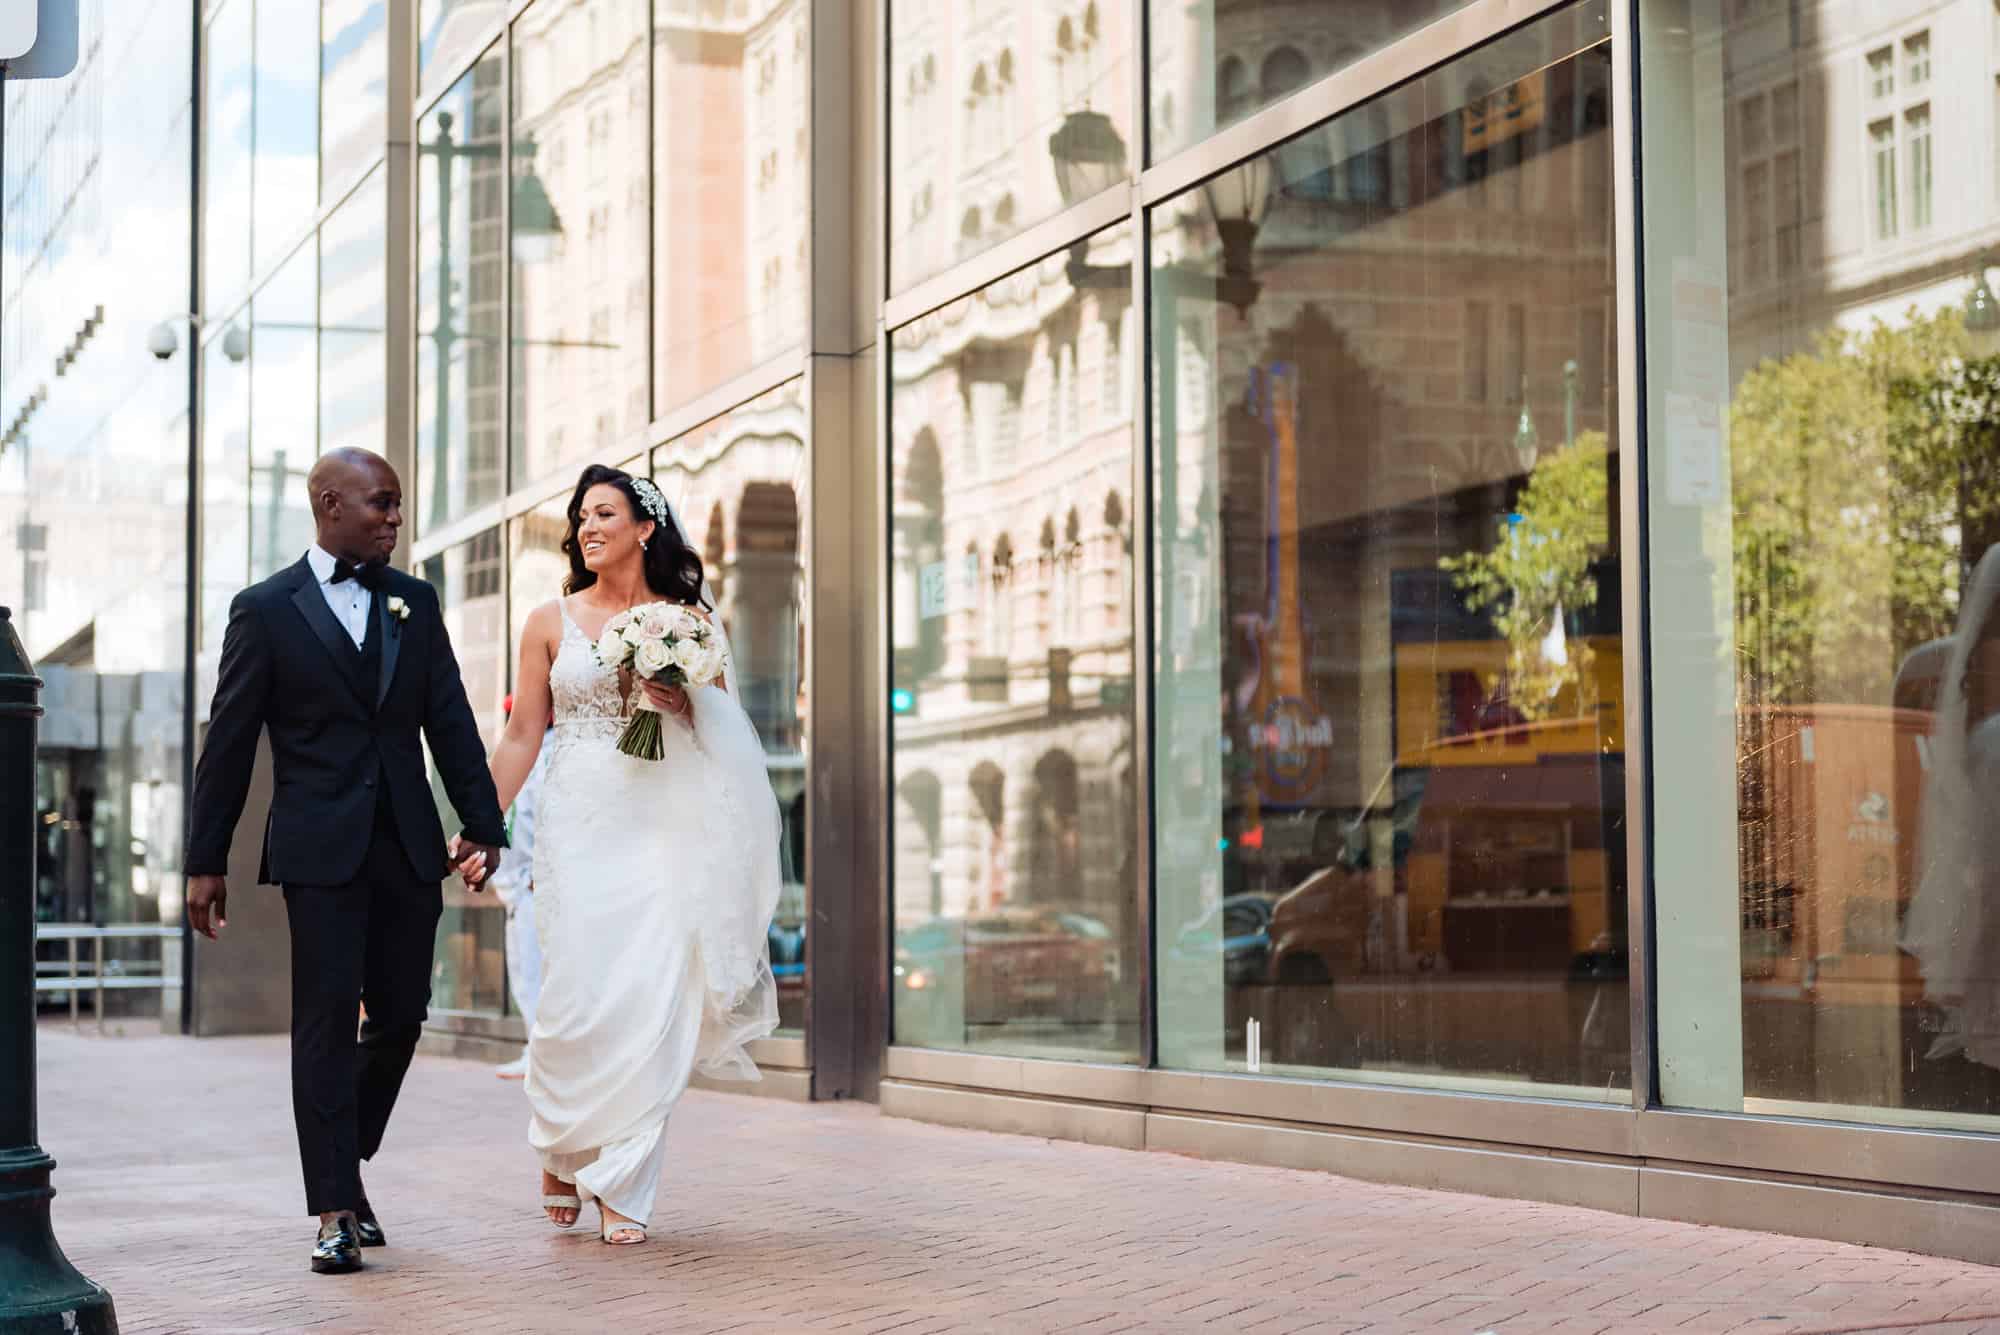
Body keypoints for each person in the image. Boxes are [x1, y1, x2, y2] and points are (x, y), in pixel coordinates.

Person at [185, 447, 505, 1276]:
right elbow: (228, 741)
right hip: (317, 849)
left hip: (406, 842)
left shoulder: (414, 601)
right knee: (325, 1021)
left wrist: (483, 820)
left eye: (398, 506)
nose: (395, 519)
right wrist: (204, 857)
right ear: (330, 503)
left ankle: (344, 1156)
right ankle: (333, 1206)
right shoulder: (265, 609)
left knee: (401, 1013)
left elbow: (450, 717)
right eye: (382, 505)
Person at [459, 463, 780, 1246]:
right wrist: (481, 824)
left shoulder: (692, 620)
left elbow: (728, 734)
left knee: (653, 993)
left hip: (665, 824)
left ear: (645, 526)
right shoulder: (546, 621)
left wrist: (684, 698)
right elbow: (522, 734)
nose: (586, 526)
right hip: (579, 824)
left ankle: (627, 1179)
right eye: (580, 516)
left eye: (604, 513)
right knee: (577, 999)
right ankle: (564, 1144)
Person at [490, 694, 548, 1079]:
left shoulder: (548, 757)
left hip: (536, 883)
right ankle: (534, 1047)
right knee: (523, 969)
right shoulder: (514, 761)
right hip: (515, 885)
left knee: (538, 972)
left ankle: (544, 1054)